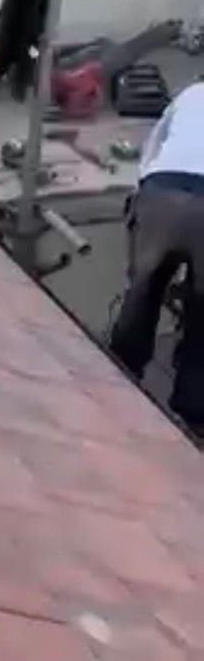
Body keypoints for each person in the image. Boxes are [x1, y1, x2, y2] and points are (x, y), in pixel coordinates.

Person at [109, 79, 204, 430]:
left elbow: (151, 152)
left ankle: (119, 375)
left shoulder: (191, 92)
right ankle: (193, 409)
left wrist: (144, 197)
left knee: (143, 291)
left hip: (160, 190)